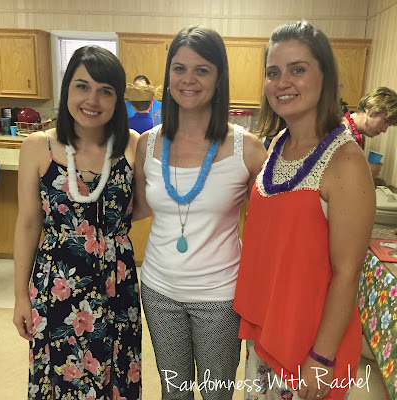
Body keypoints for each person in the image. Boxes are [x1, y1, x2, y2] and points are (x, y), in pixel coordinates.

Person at [233, 20, 375, 400]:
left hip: (310, 344)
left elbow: (348, 272)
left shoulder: (346, 162)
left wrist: (322, 357)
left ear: (325, 77)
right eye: (273, 73)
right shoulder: (279, 142)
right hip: (267, 329)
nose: (283, 82)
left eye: (297, 69)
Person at [133, 25, 266, 399]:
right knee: (174, 392)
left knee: (216, 393)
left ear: (218, 77)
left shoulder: (247, 148)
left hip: (221, 296)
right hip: (158, 291)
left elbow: (270, 226)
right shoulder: (148, 143)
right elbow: (136, 207)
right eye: (179, 68)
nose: (188, 79)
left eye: (201, 70)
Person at [13, 46, 141, 399]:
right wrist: (21, 297)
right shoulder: (38, 146)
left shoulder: (132, 145)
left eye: (105, 90)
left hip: (117, 283)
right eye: (82, 86)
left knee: (116, 371)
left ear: (118, 99)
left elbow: (142, 206)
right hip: (57, 283)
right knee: (60, 374)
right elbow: (28, 223)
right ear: (67, 87)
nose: (92, 100)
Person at [342, 87, 397, 177]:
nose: (384, 130)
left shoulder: (352, 133)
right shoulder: (342, 133)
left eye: (389, 124)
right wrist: (366, 173)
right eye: (386, 121)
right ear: (370, 109)